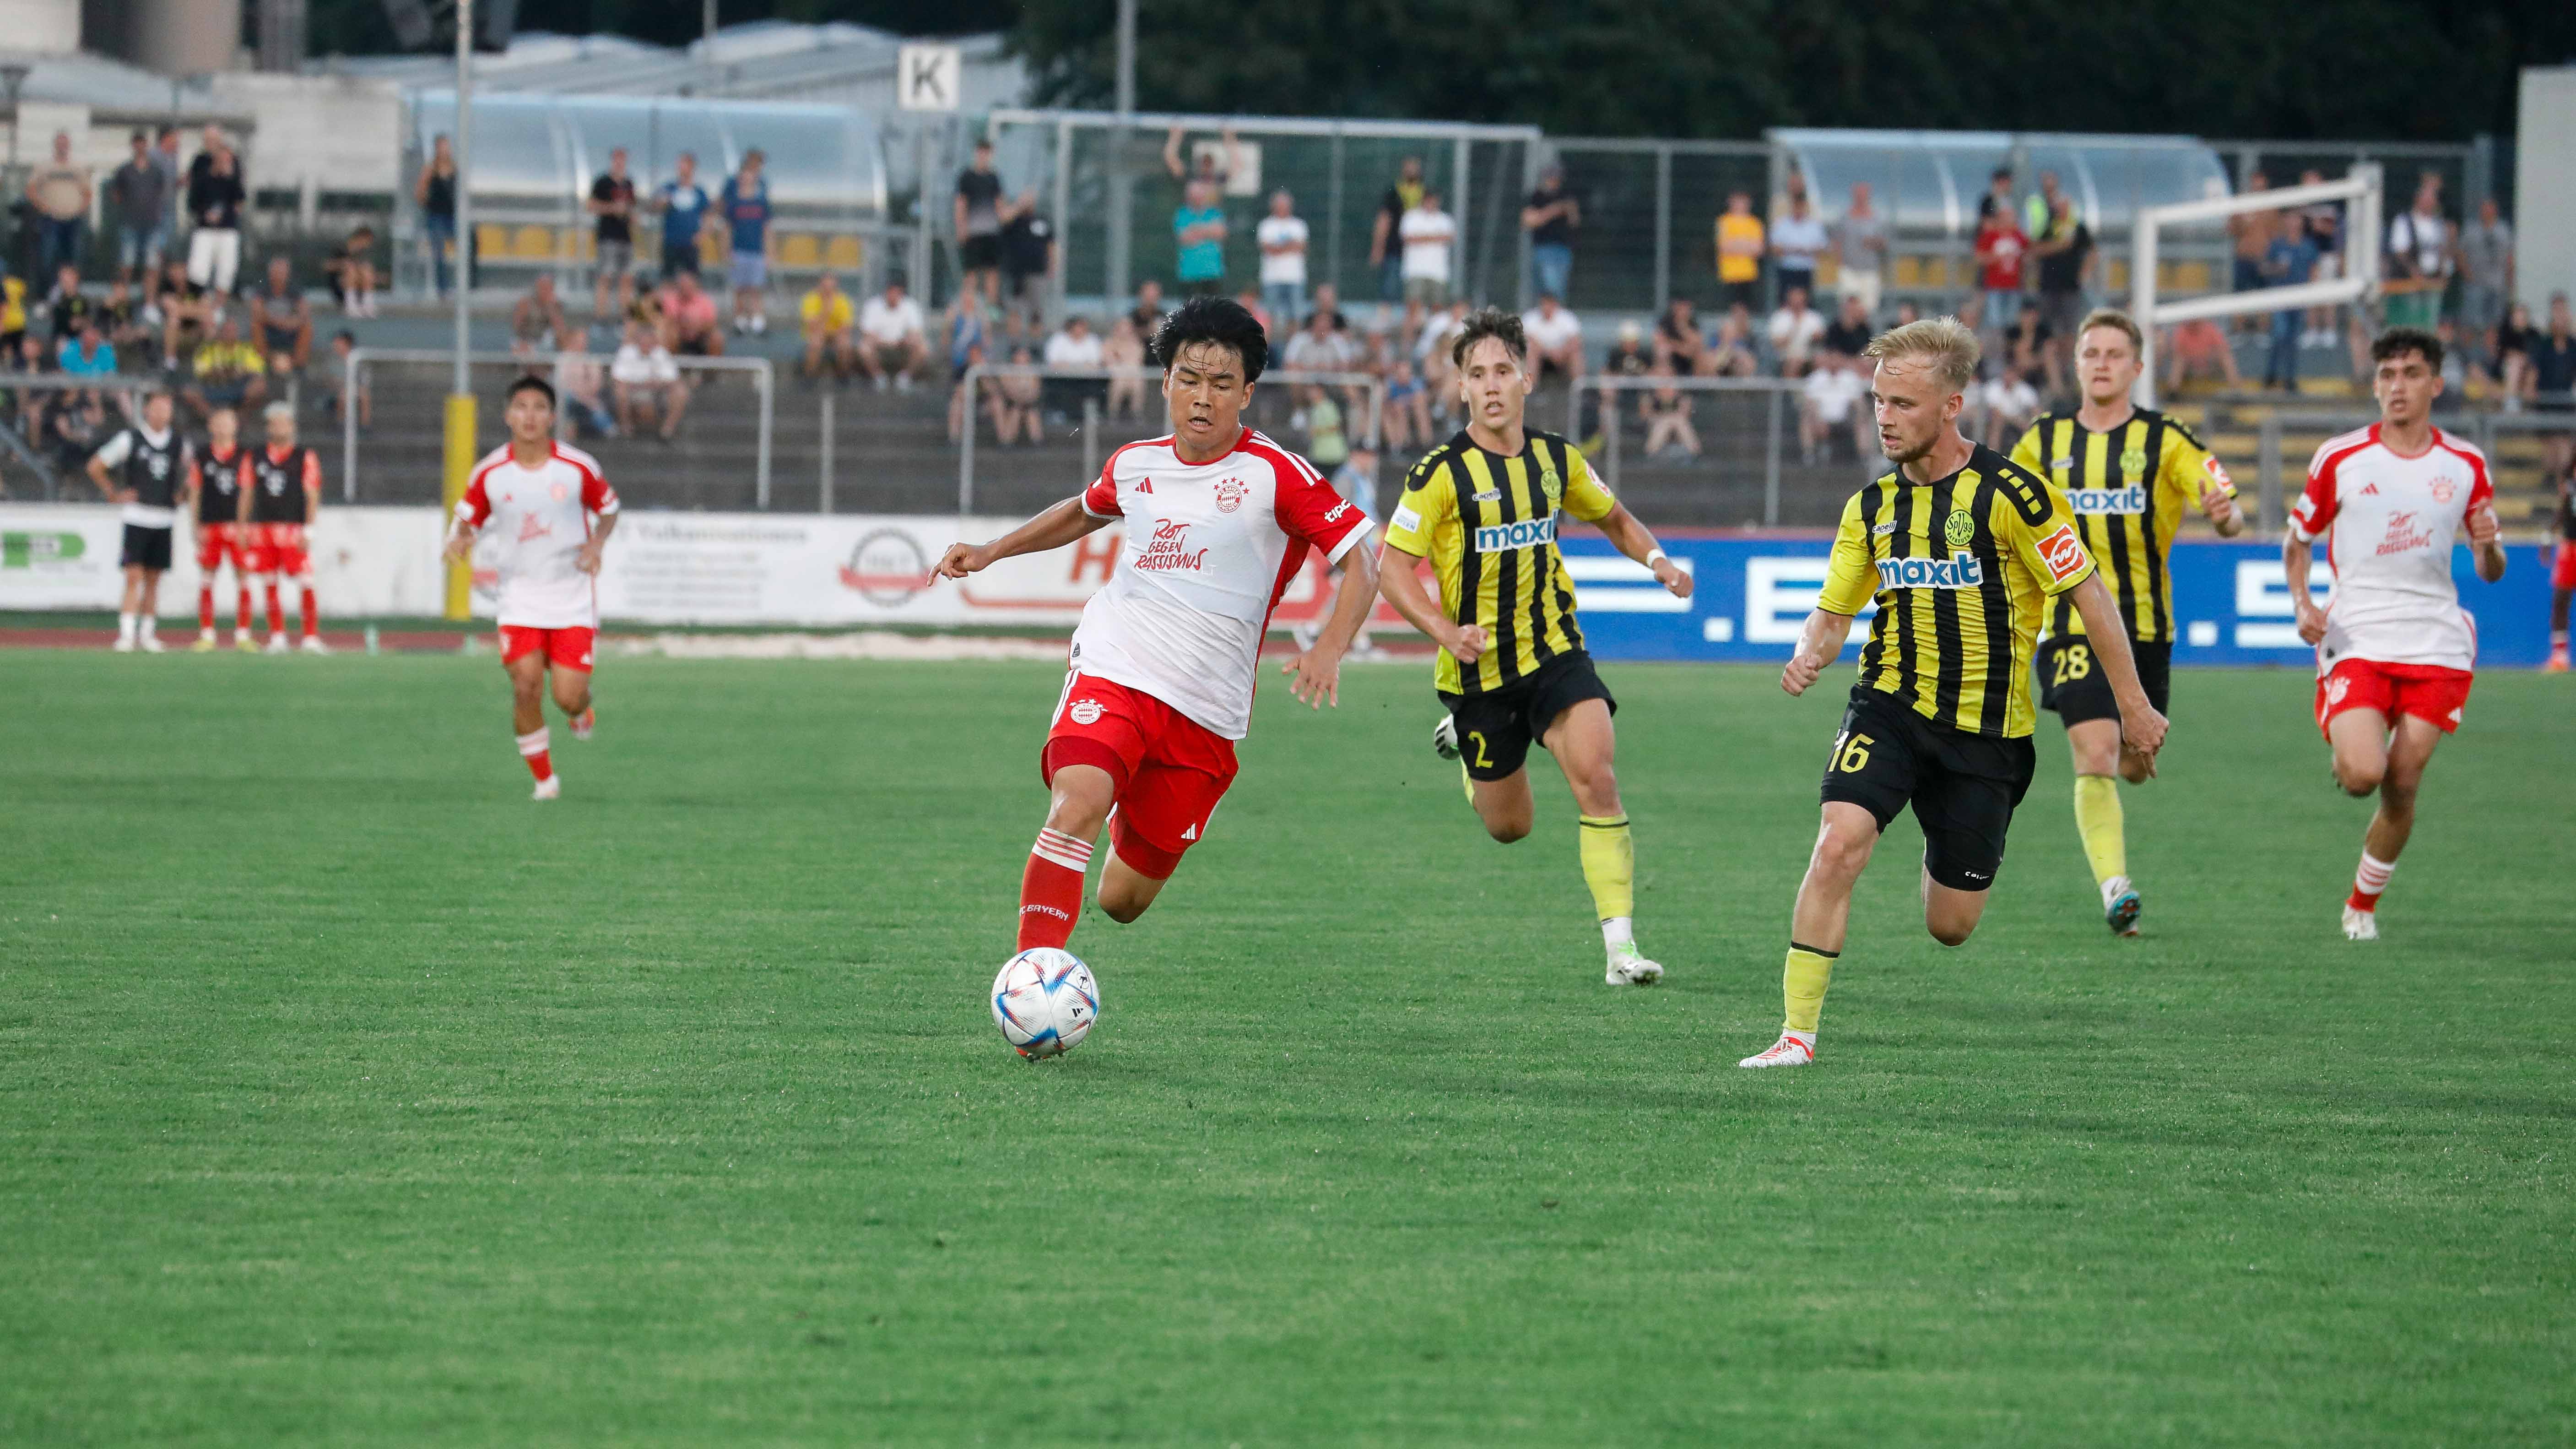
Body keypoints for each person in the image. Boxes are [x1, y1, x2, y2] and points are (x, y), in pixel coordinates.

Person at [1741, 317, 2165, 1069]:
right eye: (1878, 400)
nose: (1883, 417)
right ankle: (1795, 1036)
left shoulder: (2014, 497)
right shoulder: (1870, 508)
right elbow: (1833, 610)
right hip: (1890, 707)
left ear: (1950, 406)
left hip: (1987, 737)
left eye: (1902, 404)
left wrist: (2131, 704)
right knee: (1838, 843)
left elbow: (2089, 596)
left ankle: (1941, 841)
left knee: (1951, 924)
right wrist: (1810, 651)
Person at [928, 296, 1378, 954]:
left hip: (1205, 710)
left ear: (1247, 393)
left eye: (1222, 384)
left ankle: (1124, 797)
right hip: (1116, 664)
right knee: (1075, 803)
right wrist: (994, 549)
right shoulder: (1137, 462)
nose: (1203, 398)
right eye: (1189, 379)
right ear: (1166, 382)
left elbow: (1363, 558)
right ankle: (1034, 980)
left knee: (1121, 901)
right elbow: (1083, 511)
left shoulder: (1274, 474)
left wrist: (1331, 648)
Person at [1375, 306, 1691, 986]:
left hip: (1555, 653)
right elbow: (1392, 567)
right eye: (1476, 374)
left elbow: (1613, 515)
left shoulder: (1555, 460)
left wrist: (1659, 562)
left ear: (1525, 378)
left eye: (1502, 371)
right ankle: (1464, 738)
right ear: (1461, 388)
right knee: (1510, 827)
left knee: (1598, 780)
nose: (1490, 385)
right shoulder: (1438, 475)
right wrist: (1443, 631)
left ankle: (1620, 950)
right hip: (1479, 673)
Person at [2009, 308, 2245, 935]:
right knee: (2096, 749)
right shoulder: (2042, 441)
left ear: (2137, 368)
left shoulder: (2168, 439)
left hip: (2145, 629)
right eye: (2092, 353)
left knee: (2136, 762)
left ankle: (2135, 760)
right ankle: (2117, 889)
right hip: (2068, 624)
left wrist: (2224, 516)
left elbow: (2229, 512)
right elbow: (2001, 512)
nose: (2103, 363)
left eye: (2116, 354)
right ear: (2078, 364)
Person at [2284, 327, 2506, 940]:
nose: (2396, 386)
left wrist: (2488, 547)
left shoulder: (2465, 465)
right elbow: (2296, 541)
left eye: (2410, 373)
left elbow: (2491, 570)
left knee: (2402, 783)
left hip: (2436, 641)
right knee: (2362, 775)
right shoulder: (2342, 458)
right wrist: (2303, 604)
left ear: (2435, 384)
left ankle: (2361, 905)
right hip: (2358, 633)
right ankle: (2352, 745)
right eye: (2386, 375)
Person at [443, 376, 620, 800]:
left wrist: (597, 542)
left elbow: (609, 509)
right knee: (525, 686)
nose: (529, 416)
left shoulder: (578, 467)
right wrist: (461, 538)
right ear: (507, 415)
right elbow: (467, 517)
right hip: (519, 597)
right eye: (520, 407)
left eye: (539, 407)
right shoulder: (490, 472)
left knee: (568, 695)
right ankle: (544, 780)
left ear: (552, 416)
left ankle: (581, 712)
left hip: (571, 596)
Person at [88, 390, 196, 653]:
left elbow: (195, 472)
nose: (162, 413)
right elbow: (96, 466)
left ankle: (148, 634)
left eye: (167, 408)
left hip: (164, 519)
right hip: (137, 517)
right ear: (147, 410)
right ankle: (126, 634)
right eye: (157, 407)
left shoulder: (180, 444)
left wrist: (183, 494)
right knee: (133, 576)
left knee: (154, 579)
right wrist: (113, 494)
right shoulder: (130, 439)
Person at [242, 401, 327, 654]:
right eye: (274, 422)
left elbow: (312, 494)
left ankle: (310, 637)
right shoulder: (255, 456)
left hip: (293, 529)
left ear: (292, 426)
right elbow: (247, 492)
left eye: (284, 422)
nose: (279, 427)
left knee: (305, 580)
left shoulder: (304, 457)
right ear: (268, 427)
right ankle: (277, 636)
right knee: (269, 582)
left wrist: (309, 529)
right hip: (263, 528)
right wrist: (242, 526)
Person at [184, 405, 256, 651]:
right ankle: (207, 634)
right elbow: (195, 491)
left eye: (229, 421)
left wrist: (243, 525)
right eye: (219, 422)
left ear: (236, 426)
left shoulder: (245, 456)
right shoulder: (202, 456)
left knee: (243, 578)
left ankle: (243, 634)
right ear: (211, 426)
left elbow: (247, 491)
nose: (224, 426)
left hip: (235, 527)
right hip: (210, 525)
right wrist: (194, 524)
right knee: (207, 578)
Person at [2031, 196, 2094, 390]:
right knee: (2048, 333)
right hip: (2049, 288)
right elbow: (2035, 249)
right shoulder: (2048, 226)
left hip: (2070, 289)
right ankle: (2051, 375)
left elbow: (2092, 251)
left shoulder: (2077, 227)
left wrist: (2085, 273)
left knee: (2069, 332)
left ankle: (2068, 372)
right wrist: (2059, 246)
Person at [2382, 172, 2453, 336]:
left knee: (2429, 325)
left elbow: (2443, 251)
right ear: (2418, 199)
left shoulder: (2439, 224)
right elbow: (2400, 252)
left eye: (2433, 199)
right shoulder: (2404, 221)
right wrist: (2415, 273)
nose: (2431, 203)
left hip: (2432, 282)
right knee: (2409, 324)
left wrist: (2444, 273)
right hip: (2408, 284)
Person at [2261, 219, 2320, 391]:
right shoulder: (2278, 245)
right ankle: (2271, 374)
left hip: (2299, 298)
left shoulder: (2308, 246)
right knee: (2280, 334)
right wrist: (2277, 269)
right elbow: (2265, 268)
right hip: (2280, 297)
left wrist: (2312, 293)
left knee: (2293, 340)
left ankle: (2289, 378)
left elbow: (2314, 270)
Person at [719, 149, 773, 335]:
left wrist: (769, 253)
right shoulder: (734, 203)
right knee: (740, 288)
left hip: (756, 251)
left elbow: (767, 229)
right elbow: (727, 229)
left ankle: (758, 321)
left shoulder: (761, 203)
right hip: (739, 250)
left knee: (756, 287)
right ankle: (740, 320)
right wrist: (726, 252)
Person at [107, 130, 170, 284]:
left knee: (152, 264)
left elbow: (162, 192)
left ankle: (149, 303)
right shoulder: (124, 171)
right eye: (137, 144)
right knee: (127, 263)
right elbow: (116, 195)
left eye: (143, 144)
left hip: (153, 224)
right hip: (130, 223)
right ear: (133, 146)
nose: (140, 147)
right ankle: (123, 301)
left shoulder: (156, 171)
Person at [27, 130, 92, 280]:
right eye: (60, 144)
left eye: (65, 144)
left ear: (69, 146)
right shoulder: (44, 167)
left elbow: (88, 193)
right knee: (48, 260)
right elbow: (31, 189)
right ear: (55, 145)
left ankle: (70, 296)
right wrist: (41, 206)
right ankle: (47, 296)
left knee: (73, 260)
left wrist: (80, 210)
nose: (62, 147)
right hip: (51, 220)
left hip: (73, 220)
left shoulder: (78, 167)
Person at [610, 320, 688, 440]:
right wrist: (643, 385)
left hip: (657, 394)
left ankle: (667, 431)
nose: (646, 344)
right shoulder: (626, 353)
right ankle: (626, 429)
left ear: (654, 341)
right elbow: (618, 379)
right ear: (638, 340)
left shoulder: (661, 353)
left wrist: (657, 385)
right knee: (620, 392)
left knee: (681, 392)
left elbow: (673, 379)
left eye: (649, 340)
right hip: (633, 392)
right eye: (643, 340)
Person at [2456, 197, 2511, 359]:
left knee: (2493, 325)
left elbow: (2509, 258)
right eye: (2484, 209)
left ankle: (2490, 359)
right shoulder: (2471, 230)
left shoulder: (2503, 230)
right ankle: (2468, 358)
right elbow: (2460, 254)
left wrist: (2509, 282)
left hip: (2497, 285)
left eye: (2490, 208)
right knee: (2471, 323)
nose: (2487, 212)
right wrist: (2468, 275)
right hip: (2475, 285)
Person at [955, 139, 1005, 309]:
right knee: (971, 272)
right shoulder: (967, 177)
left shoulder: (994, 178)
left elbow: (1000, 205)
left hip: (991, 232)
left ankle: (991, 308)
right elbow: (961, 203)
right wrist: (961, 227)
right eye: (981, 153)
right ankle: (969, 306)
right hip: (973, 232)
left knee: (992, 272)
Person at [588, 147, 637, 318]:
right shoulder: (603, 182)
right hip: (608, 237)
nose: (620, 163)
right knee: (605, 277)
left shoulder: (628, 184)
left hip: (625, 237)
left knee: (627, 278)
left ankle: (625, 318)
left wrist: (630, 215)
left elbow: (632, 207)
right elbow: (591, 206)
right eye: (617, 159)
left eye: (622, 159)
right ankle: (601, 316)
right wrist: (612, 209)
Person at [1370, 157, 1426, 304]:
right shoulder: (1393, 190)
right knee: (1390, 285)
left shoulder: (1425, 192)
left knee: (1416, 289)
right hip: (1395, 246)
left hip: (1418, 250)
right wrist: (1378, 247)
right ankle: (1386, 315)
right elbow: (1384, 219)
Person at [650, 152, 713, 282]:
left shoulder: (699, 192)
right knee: (668, 280)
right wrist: (662, 203)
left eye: (685, 165)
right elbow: (655, 207)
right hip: (671, 242)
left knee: (691, 280)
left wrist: (702, 235)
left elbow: (708, 215)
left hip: (691, 244)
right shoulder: (669, 188)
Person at [187, 319, 268, 418]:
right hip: (213, 387)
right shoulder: (209, 349)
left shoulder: (245, 349)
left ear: (237, 333)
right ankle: (214, 418)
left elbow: (258, 370)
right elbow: (200, 371)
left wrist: (227, 371)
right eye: (226, 331)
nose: (229, 334)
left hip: (239, 387)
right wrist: (233, 371)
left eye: (232, 331)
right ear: (220, 333)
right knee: (190, 392)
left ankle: (239, 418)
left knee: (260, 386)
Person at [856, 280, 928, 391]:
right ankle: (879, 377)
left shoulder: (910, 306)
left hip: (902, 346)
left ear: (901, 293)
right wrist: (886, 342)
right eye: (891, 292)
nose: (893, 296)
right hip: (879, 346)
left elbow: (916, 333)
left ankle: (905, 377)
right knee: (864, 348)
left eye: (897, 292)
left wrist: (904, 340)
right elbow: (867, 334)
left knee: (923, 348)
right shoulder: (873, 305)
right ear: (886, 292)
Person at [1522, 164, 1579, 304]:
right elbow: (1528, 221)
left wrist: (1570, 209)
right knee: (1549, 287)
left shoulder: (1566, 196)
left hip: (1563, 248)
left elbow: (1574, 222)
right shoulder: (1536, 197)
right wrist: (1553, 211)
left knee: (1558, 289)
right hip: (1544, 248)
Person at [1000, 190, 1055, 330]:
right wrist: (1019, 206)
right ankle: (1015, 347)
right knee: (1014, 310)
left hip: (1037, 272)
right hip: (1016, 273)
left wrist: (1052, 266)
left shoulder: (1042, 221)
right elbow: (1003, 218)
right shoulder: (1013, 221)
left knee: (1036, 312)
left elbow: (1051, 245)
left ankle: (1035, 347)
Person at [1800, 352, 1869, 463]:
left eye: (1837, 359)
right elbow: (1810, 403)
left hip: (1845, 419)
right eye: (1832, 358)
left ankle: (1864, 457)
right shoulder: (1817, 377)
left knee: (1862, 423)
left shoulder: (1850, 378)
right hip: (1821, 419)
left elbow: (1858, 402)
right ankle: (1809, 454)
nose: (1834, 362)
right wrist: (1818, 419)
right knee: (1806, 420)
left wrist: (1861, 414)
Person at [1834, 182, 1889, 319]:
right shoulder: (1845, 217)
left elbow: (1884, 243)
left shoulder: (1877, 219)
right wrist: (1839, 262)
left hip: (1869, 271)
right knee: (1848, 307)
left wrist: (1872, 242)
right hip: (1849, 269)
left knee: (1868, 309)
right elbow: (1837, 240)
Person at [412, 134, 457, 298]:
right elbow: (419, 192)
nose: (445, 150)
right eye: (441, 147)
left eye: (447, 147)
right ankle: (443, 289)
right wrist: (429, 205)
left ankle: (467, 284)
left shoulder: (455, 168)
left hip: (452, 216)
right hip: (436, 217)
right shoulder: (430, 169)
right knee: (439, 250)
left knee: (470, 239)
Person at [1256, 189, 1309, 328]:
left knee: (1295, 316)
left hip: (1295, 278)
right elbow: (1269, 249)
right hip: (1271, 278)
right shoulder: (1266, 225)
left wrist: (1278, 247)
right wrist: (1290, 246)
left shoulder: (1299, 225)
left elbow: (1301, 247)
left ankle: (1292, 348)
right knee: (1268, 317)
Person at [552, 328, 617, 439]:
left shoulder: (592, 359)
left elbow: (597, 384)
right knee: (567, 400)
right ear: (571, 340)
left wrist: (584, 395)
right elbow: (561, 384)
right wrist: (580, 394)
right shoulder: (563, 359)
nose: (582, 343)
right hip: (570, 398)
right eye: (579, 340)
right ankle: (565, 436)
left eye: (584, 340)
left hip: (590, 399)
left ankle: (611, 434)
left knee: (599, 412)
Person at [1398, 189, 1456, 308]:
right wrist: (1436, 237)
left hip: (1438, 272)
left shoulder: (1445, 220)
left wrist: (1422, 237)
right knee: (1413, 306)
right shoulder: (1411, 217)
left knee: (1438, 306)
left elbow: (1450, 238)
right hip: (1415, 270)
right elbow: (1408, 238)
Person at [1974, 206, 2029, 332]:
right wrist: (1996, 258)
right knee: (1995, 321)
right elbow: (1979, 257)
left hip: (2014, 286)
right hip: (1995, 286)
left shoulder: (2018, 236)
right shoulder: (1991, 236)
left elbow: (2029, 251)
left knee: (2012, 322)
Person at [1769, 189, 1829, 305]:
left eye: (1800, 206)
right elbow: (1773, 248)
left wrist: (1807, 251)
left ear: (1805, 207)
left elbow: (1823, 249)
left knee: (1807, 303)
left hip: (1806, 269)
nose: (1798, 210)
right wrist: (1791, 250)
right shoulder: (1782, 225)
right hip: (1787, 269)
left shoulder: (1814, 226)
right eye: (1796, 206)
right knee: (1785, 303)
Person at [1172, 178, 1228, 300]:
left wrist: (1196, 229)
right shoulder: (1182, 214)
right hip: (1189, 273)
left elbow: (1221, 233)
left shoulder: (1214, 213)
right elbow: (1185, 238)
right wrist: (1209, 231)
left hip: (1212, 272)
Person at [1715, 191, 1765, 316]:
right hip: (1729, 274)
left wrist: (1736, 244)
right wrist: (1747, 244)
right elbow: (1724, 248)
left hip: (1749, 274)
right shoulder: (1724, 222)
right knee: (1732, 310)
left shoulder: (1756, 223)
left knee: (1746, 310)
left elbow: (1759, 250)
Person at [2546, 450, 2574, 673]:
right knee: (2560, 601)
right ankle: (2560, 656)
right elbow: (2564, 510)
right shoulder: (2569, 478)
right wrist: (2548, 537)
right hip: (2570, 546)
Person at [799, 273, 854, 379]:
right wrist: (826, 310)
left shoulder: (843, 301)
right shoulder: (811, 299)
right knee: (816, 344)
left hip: (836, 334)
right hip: (816, 333)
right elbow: (812, 326)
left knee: (845, 345)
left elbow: (847, 326)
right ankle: (809, 375)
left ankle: (844, 375)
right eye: (826, 286)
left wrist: (833, 333)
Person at [1519, 293, 1583, 385]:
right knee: (1531, 354)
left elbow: (1575, 341)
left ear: (1555, 305)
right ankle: (1530, 390)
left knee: (1576, 356)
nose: (1546, 308)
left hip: (1562, 357)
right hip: (1540, 356)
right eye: (1544, 304)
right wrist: (1550, 354)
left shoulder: (1567, 318)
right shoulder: (1530, 318)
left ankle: (1579, 389)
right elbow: (1528, 341)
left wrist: (1561, 353)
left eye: (1549, 304)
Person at [658, 270, 723, 359]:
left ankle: (712, 370)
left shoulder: (705, 301)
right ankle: (671, 368)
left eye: (688, 285)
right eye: (682, 285)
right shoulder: (671, 300)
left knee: (717, 338)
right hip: (680, 334)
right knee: (669, 334)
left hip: (701, 336)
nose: (685, 288)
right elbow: (667, 321)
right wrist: (685, 325)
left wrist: (696, 327)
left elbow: (711, 323)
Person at [1641, 362, 1699, 461]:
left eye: (1667, 375)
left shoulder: (1682, 393)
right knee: (1666, 422)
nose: (1664, 379)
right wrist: (1664, 417)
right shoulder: (1649, 393)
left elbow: (1686, 413)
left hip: (1677, 425)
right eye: (1660, 375)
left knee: (1679, 421)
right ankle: (1652, 451)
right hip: (1656, 424)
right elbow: (1645, 415)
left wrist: (1675, 396)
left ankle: (1694, 452)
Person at [1766, 284, 1825, 379]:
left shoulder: (1814, 317)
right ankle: (1793, 393)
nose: (1798, 299)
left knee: (1823, 361)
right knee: (1794, 363)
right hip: (1786, 357)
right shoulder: (1780, 317)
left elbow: (1821, 337)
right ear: (1789, 298)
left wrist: (1816, 338)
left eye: (1800, 296)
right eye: (1795, 296)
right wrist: (1795, 328)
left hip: (1810, 355)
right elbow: (1777, 343)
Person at [1979, 363, 2039, 450]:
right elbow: (1995, 411)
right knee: (1998, 421)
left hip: (2019, 417)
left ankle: (2027, 455)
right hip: (1996, 418)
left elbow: (2035, 408)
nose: (2009, 377)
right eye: (2007, 374)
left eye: (2012, 375)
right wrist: (2016, 420)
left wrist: (2035, 421)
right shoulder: (1994, 387)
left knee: (2031, 425)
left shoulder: (2023, 389)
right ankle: (1993, 454)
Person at [325, 225, 379, 317]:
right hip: (341, 289)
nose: (368, 245)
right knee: (351, 269)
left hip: (358, 288)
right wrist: (343, 264)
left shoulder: (362, 254)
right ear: (361, 238)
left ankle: (367, 304)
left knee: (366, 269)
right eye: (368, 242)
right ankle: (350, 306)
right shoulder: (340, 249)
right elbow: (327, 266)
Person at [1101, 315, 1147, 420]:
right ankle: (1112, 414)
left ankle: (1136, 414)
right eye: (1122, 327)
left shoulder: (1136, 344)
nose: (1125, 330)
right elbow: (1108, 361)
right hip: (1114, 375)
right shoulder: (1109, 343)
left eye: (1128, 327)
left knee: (1137, 382)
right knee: (1120, 382)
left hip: (1131, 375)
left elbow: (1137, 361)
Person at [326, 330, 370, 428]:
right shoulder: (332, 361)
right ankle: (340, 423)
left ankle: (365, 426)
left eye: (339, 342)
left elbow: (364, 377)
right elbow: (330, 380)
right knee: (344, 394)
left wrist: (359, 386)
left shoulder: (358, 359)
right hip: (337, 391)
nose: (335, 345)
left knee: (364, 395)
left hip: (355, 388)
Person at [1820, 292, 1872, 363]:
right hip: (1838, 366)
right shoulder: (1835, 328)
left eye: (1855, 306)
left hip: (1858, 366)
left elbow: (1866, 349)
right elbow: (1830, 351)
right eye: (1850, 307)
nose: (1852, 310)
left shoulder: (1864, 328)